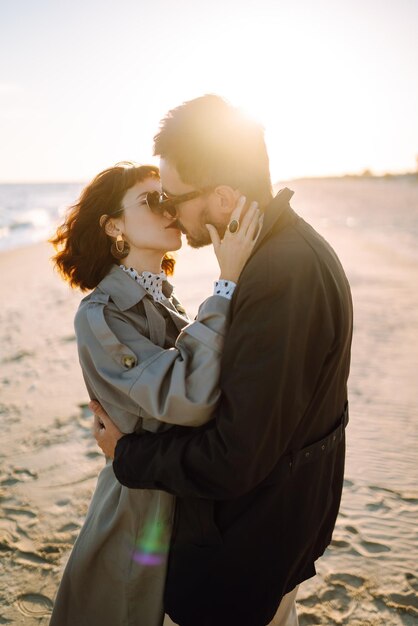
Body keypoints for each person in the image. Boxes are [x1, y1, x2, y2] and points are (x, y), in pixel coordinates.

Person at [92, 95, 353, 626]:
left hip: (246, 554)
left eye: (174, 198)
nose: (168, 212)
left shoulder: (280, 277)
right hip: (279, 534)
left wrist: (128, 455)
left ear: (225, 197)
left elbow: (234, 457)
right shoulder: (292, 250)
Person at [48, 161, 261, 626]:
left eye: (168, 198)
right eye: (150, 200)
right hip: (139, 510)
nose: (167, 209)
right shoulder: (99, 314)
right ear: (113, 225)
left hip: (184, 493)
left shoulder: (166, 297)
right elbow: (188, 396)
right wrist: (226, 286)